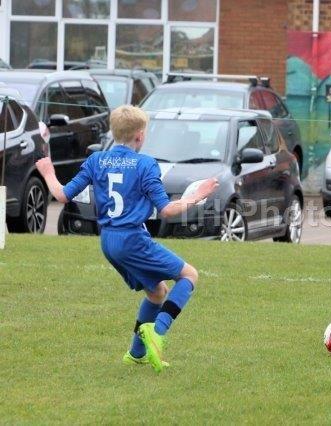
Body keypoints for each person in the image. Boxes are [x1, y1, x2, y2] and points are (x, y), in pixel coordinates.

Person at [35, 105, 219, 372]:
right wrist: (197, 196)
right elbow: (167, 210)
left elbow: (62, 195)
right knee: (189, 275)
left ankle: (136, 353)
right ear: (140, 135)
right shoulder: (145, 164)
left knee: (157, 292)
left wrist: (48, 172)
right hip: (132, 239)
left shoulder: (97, 160)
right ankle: (158, 331)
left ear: (113, 132)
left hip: (108, 240)